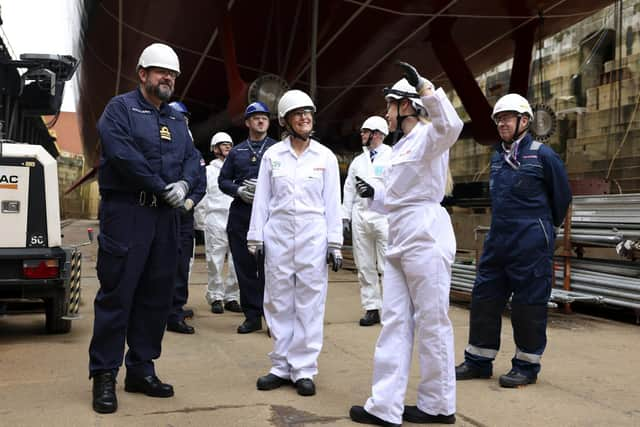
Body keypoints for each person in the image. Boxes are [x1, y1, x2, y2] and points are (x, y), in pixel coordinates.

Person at [89, 43, 203, 414]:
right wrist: (160, 186)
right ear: (143, 74)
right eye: (160, 72)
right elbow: (122, 155)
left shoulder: (177, 120)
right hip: (128, 214)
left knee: (156, 296)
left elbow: (192, 161)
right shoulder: (119, 110)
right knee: (117, 294)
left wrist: (185, 186)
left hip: (165, 219)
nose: (167, 78)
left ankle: (141, 368)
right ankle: (105, 374)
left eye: (172, 74)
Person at [349, 62, 463, 426]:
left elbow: (452, 126)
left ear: (407, 106)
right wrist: (374, 194)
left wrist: (427, 88)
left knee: (432, 321)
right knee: (395, 321)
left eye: (390, 106)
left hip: (426, 234)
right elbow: (396, 197)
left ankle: (438, 405)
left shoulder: (431, 136)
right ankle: (384, 406)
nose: (386, 113)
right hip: (399, 232)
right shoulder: (398, 150)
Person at [455, 93, 572, 388]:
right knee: (484, 297)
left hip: (530, 241)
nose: (502, 123)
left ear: (524, 121)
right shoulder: (497, 157)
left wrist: (543, 229)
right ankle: (478, 360)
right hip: (499, 239)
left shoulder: (543, 155)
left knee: (528, 304)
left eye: (507, 118)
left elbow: (562, 198)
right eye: (498, 119)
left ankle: (526, 366)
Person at [247, 89, 343, 397]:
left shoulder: (324, 157)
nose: (305, 118)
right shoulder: (273, 156)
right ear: (286, 122)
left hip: (313, 237)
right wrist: (255, 236)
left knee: (310, 303)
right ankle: (280, 365)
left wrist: (335, 243)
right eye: (298, 114)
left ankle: (303, 368)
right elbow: (262, 198)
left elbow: (333, 202)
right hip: (277, 235)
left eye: (308, 113)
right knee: (277, 300)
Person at [219, 102, 277, 333]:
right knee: (244, 266)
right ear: (247, 123)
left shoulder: (278, 149)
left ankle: (272, 317)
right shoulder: (237, 152)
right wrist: (238, 191)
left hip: (270, 216)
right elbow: (223, 181)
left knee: (271, 269)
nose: (260, 121)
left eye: (264, 117)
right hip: (242, 214)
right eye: (255, 118)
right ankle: (252, 315)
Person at [342, 116, 391, 327]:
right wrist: (344, 216)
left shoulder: (392, 156)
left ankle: (391, 309)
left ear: (377, 134)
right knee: (364, 265)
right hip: (360, 216)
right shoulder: (358, 162)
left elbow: (398, 188)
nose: (362, 135)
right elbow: (349, 190)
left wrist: (376, 192)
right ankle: (372, 308)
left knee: (388, 265)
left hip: (384, 217)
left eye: (365, 131)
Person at [166, 101, 206, 334]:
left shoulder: (194, 153)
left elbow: (201, 184)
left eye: (185, 118)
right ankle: (159, 309)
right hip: (162, 213)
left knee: (181, 266)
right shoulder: (161, 148)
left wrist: (190, 201)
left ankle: (175, 311)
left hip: (184, 218)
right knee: (159, 265)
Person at [196, 132, 242, 314]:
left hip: (235, 217)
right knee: (214, 259)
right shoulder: (208, 171)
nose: (228, 147)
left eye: (230, 144)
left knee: (236, 259)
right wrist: (200, 222)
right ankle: (215, 295)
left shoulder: (238, 170)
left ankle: (232, 296)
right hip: (215, 218)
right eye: (223, 144)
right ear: (215, 149)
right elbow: (202, 195)